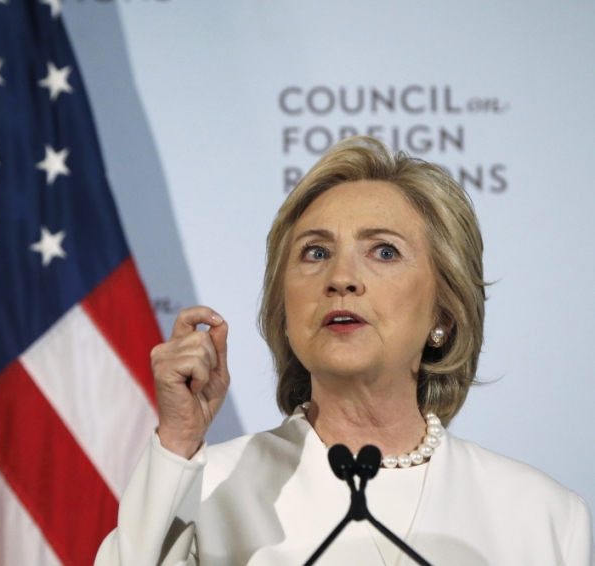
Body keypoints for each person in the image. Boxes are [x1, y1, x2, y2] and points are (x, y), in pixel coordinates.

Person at [94, 136, 593, 565]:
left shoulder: (543, 516)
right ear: (284, 308)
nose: (340, 278)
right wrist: (177, 442)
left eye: (384, 251)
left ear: (443, 314)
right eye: (316, 252)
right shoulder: (208, 489)